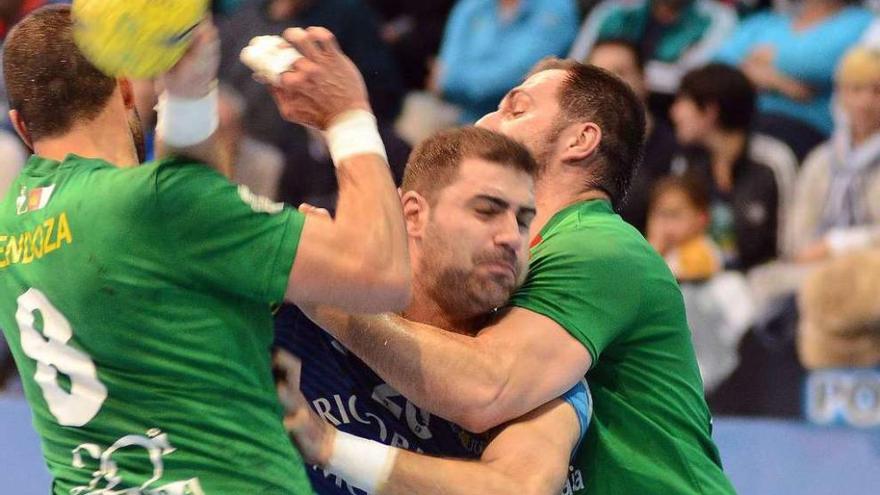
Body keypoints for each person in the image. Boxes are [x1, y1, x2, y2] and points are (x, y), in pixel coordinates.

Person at [0, 6, 410, 493]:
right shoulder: (157, 206)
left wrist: (190, 95)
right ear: (128, 88)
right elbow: (383, 272)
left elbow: (179, 193)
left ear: (21, 125)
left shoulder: (13, 222)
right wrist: (347, 116)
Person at [305, 58, 736, 493]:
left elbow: (487, 386)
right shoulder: (509, 276)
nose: (486, 119)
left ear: (580, 140)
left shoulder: (596, 246)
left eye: (516, 109)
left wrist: (324, 294)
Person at [276, 126, 591, 495]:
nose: (511, 237)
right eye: (487, 210)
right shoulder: (295, 287)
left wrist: (330, 446)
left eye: (523, 221)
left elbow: (515, 489)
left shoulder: (538, 376)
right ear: (413, 215)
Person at [669, 63, 797, 271]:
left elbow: (791, 238)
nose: (674, 112)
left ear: (710, 110)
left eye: (682, 102)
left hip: (764, 278)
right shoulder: (686, 163)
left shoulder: (773, 160)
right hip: (700, 275)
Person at [713, 0, 875, 160]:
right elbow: (716, 68)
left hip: (805, 129)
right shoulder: (766, 21)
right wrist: (783, 83)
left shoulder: (862, 22)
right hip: (745, 119)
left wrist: (769, 58)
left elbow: (822, 63)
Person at [788, 45, 880, 264]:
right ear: (841, 95)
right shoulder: (821, 159)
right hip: (816, 267)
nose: (866, 102)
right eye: (856, 90)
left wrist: (837, 244)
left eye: (878, 91)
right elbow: (796, 232)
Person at [569, 0, 736, 111]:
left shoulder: (717, 18)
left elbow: (693, 78)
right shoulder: (613, 10)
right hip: (597, 99)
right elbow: (575, 63)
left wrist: (628, 74)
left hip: (668, 110)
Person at [586, 38, 679, 233]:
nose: (608, 84)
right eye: (598, 75)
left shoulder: (676, 149)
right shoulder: (579, 150)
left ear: (643, 79)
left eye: (620, 72)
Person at [433, 0, 579, 123]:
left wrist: (454, 83)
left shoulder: (556, 8)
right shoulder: (471, 5)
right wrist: (448, 81)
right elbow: (448, 71)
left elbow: (520, 73)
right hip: (458, 113)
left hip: (518, 120)